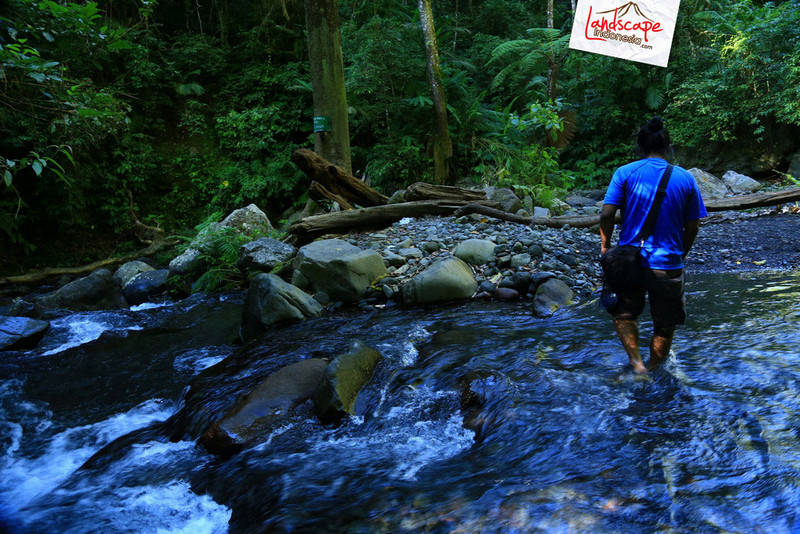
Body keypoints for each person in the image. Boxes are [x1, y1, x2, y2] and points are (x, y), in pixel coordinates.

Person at [599, 117, 707, 374]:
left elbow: (606, 213)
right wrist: (681, 253)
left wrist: (605, 246)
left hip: (629, 259)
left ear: (639, 146)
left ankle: (637, 366)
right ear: (668, 147)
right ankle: (655, 368)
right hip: (667, 261)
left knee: (624, 314)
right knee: (665, 324)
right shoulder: (685, 178)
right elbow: (693, 226)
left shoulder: (624, 172)